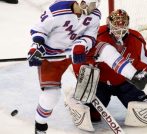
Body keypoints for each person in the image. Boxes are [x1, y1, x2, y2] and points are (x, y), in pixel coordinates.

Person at [71, 9, 147, 123]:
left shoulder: (135, 38)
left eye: (123, 24)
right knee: (92, 115)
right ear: (109, 23)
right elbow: (78, 58)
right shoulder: (97, 35)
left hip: (126, 83)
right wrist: (83, 78)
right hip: (100, 84)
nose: (120, 28)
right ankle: (83, 102)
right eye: (116, 24)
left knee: (143, 107)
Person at [27, 0, 101, 133]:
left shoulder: (95, 15)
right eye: (91, 3)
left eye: (95, 3)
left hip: (74, 53)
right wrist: (36, 48)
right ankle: (40, 125)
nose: (93, 7)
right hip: (51, 56)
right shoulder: (58, 9)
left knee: (102, 52)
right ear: (81, 2)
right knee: (51, 96)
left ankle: (88, 97)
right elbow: (39, 30)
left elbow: (90, 36)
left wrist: (81, 45)